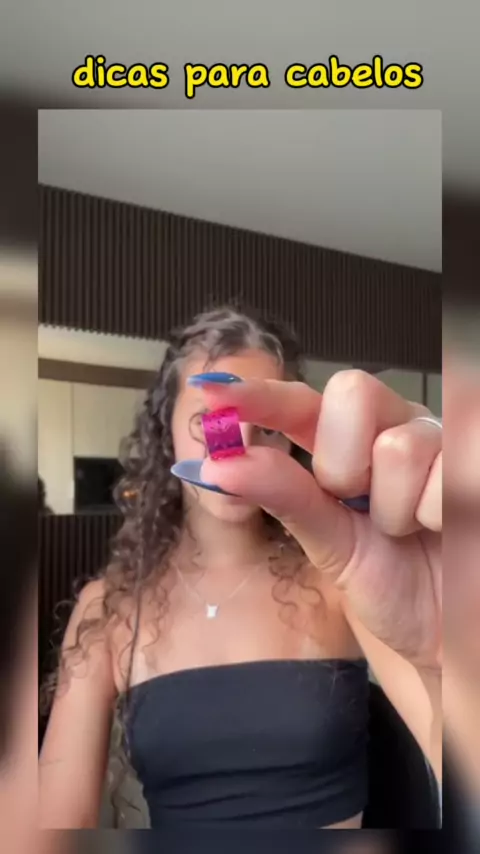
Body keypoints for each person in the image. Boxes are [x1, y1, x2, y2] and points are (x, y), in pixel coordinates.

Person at [39, 306, 442, 836]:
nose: (237, 447)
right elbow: (50, 830)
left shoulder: (344, 579)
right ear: (166, 431)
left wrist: (452, 651)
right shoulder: (108, 608)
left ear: (291, 440)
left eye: (267, 429)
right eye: (209, 421)